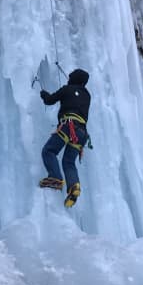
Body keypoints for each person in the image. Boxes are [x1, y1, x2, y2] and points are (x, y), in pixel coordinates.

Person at [39, 68, 91, 207]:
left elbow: (49, 100)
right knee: (68, 162)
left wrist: (44, 94)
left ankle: (55, 177)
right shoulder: (87, 95)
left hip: (68, 126)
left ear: (73, 79)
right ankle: (74, 186)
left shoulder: (67, 89)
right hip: (82, 134)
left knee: (49, 151)